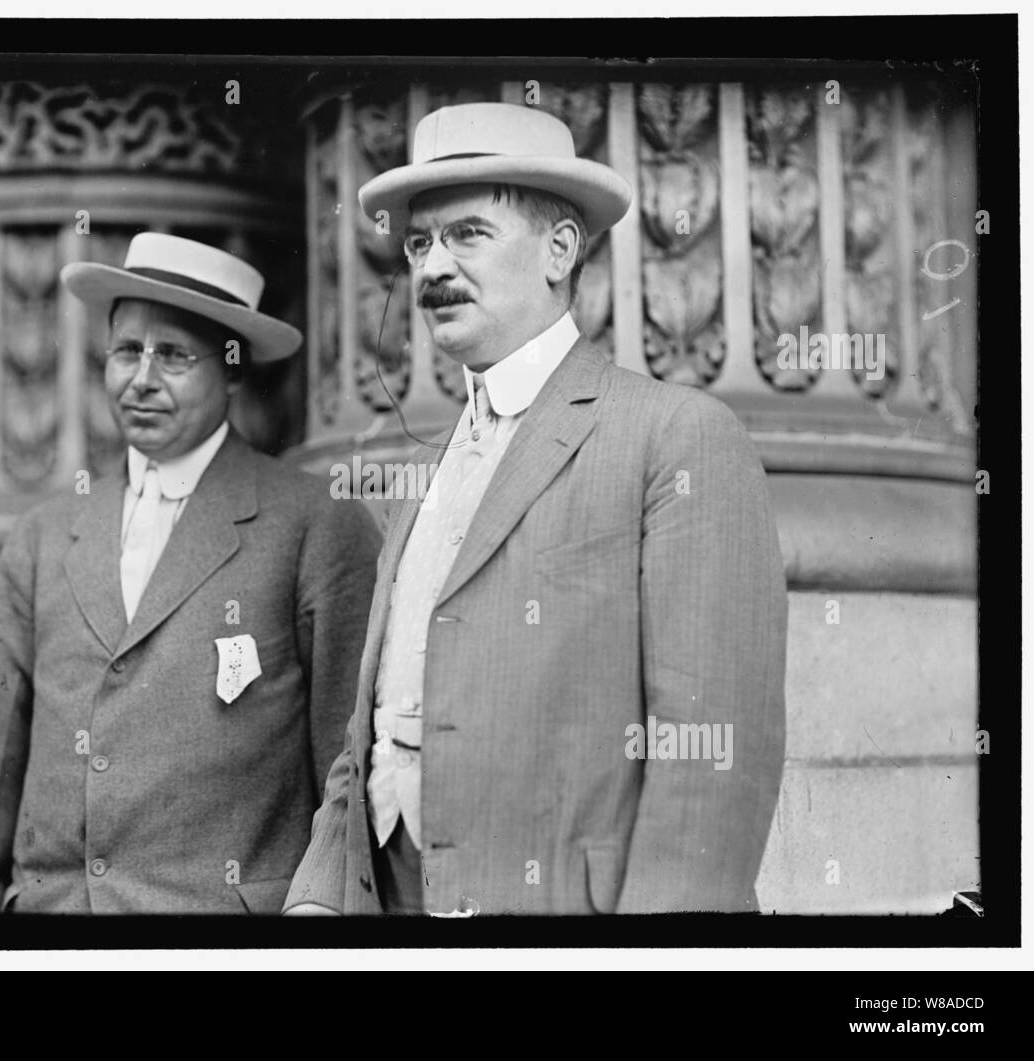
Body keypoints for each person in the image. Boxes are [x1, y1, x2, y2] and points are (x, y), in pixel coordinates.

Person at [285, 102, 787, 915]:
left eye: (467, 235)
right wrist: (318, 901)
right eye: (419, 243)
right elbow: (372, 725)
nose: (431, 268)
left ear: (561, 250)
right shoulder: (428, 469)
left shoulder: (677, 436)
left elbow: (712, 764)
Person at [0, 233, 381, 913]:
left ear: (233, 370)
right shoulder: (43, 535)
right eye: (125, 352)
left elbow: (346, 762)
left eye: (173, 355)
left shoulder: (314, 524)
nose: (140, 378)